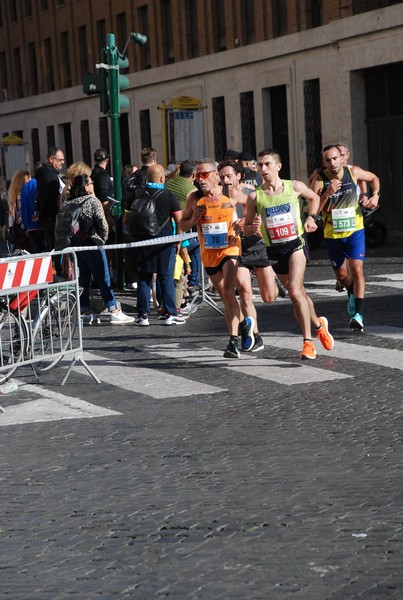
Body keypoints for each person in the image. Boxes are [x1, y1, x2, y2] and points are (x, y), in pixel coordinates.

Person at [244, 148, 334, 360]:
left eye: (267, 164)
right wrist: (253, 227)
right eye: (260, 165)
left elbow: (313, 198)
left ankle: (307, 343)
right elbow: (246, 227)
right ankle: (320, 325)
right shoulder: (255, 196)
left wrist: (312, 218)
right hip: (274, 249)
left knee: (294, 290)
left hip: (295, 243)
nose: (263, 169)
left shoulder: (293, 186)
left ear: (278, 166)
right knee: (299, 294)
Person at [179, 158, 254, 359]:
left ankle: (232, 342)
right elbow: (182, 225)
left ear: (215, 175)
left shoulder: (231, 193)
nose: (200, 179)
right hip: (209, 254)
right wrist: (194, 219)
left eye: (204, 174)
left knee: (230, 290)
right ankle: (244, 325)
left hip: (231, 249)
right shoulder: (194, 198)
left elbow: (252, 207)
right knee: (227, 298)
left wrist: (244, 222)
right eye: (197, 175)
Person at [311, 144, 381, 332]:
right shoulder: (319, 180)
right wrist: (327, 194)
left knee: (357, 270)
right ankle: (351, 293)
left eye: (335, 158)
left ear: (342, 158)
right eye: (328, 160)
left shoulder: (354, 172)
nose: (333, 163)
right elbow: (314, 211)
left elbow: (374, 178)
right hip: (332, 234)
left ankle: (358, 315)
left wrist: (375, 195)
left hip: (355, 230)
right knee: (342, 276)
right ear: (324, 162)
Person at [218, 160, 280, 352]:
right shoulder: (217, 197)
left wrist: (246, 222)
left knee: (269, 297)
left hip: (257, 245)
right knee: (244, 291)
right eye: (222, 177)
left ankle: (276, 282)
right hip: (237, 250)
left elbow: (254, 214)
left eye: (229, 176)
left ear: (239, 176)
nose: (225, 180)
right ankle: (255, 334)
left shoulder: (249, 195)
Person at [65, 173, 134, 325]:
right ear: (86, 187)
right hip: (92, 244)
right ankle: (113, 310)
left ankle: (85, 311)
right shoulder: (92, 201)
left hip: (75, 246)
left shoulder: (68, 202)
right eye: (91, 183)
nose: (93, 185)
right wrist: (102, 240)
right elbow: (103, 224)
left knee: (83, 280)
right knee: (103, 277)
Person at [125, 163, 186, 326]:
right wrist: (178, 240)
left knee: (144, 278)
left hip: (141, 240)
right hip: (164, 241)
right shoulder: (168, 195)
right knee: (166, 277)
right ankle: (170, 313)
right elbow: (180, 220)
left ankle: (143, 315)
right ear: (161, 178)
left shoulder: (136, 193)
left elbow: (127, 218)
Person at [166, 159, 201, 294]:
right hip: (179, 227)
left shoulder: (169, 182)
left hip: (167, 226)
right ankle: (194, 283)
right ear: (193, 175)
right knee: (196, 247)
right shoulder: (192, 190)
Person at [36, 147, 65, 251]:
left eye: (63, 160)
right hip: (53, 221)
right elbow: (49, 200)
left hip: (50, 220)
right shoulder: (50, 176)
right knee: (55, 251)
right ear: (51, 159)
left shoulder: (48, 174)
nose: (63, 163)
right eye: (60, 160)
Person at [20, 163, 45, 254]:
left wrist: (26, 225)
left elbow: (23, 208)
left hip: (30, 227)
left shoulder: (25, 187)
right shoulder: (41, 183)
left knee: (35, 255)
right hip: (41, 225)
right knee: (46, 255)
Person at [7, 169, 31, 252]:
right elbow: (22, 214)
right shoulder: (22, 195)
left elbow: (11, 217)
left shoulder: (13, 195)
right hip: (24, 230)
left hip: (16, 231)